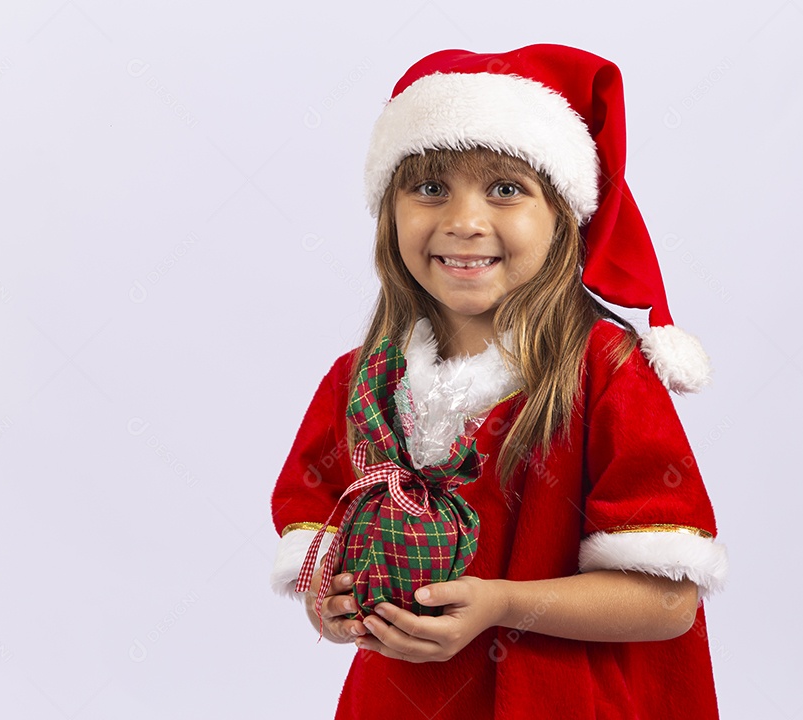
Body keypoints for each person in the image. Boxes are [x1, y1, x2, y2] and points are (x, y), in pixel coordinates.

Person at [269, 44, 729, 719]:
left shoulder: (604, 374)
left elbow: (667, 601)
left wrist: (501, 604)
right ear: (389, 210)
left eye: (506, 188)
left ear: (564, 218)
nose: (462, 221)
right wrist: (332, 602)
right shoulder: (360, 381)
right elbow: (325, 539)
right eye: (429, 187)